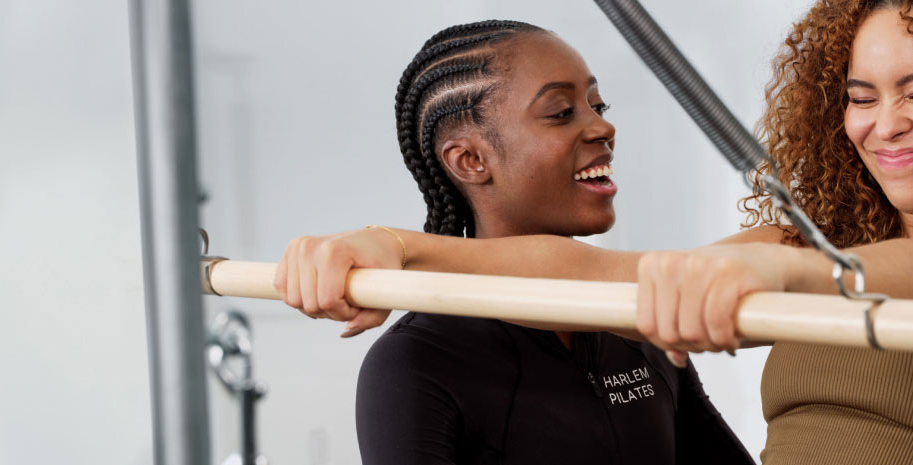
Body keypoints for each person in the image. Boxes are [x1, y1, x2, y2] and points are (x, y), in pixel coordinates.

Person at [277, 2, 913, 463]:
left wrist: (780, 282)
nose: (884, 123)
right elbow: (602, 275)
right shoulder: (808, 242)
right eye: (860, 97)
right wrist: (392, 246)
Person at [299, 20, 754, 465]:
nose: (602, 128)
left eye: (599, 106)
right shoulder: (413, 363)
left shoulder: (636, 326)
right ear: (470, 160)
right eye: (561, 112)